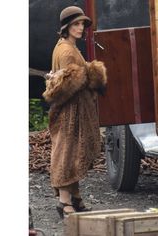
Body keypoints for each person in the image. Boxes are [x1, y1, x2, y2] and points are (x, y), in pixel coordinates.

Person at [42, 6, 107, 218]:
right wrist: (89, 74)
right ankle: (64, 202)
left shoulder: (68, 46)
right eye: (76, 24)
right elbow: (68, 85)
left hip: (76, 109)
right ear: (66, 27)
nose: (80, 28)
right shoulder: (67, 50)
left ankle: (75, 197)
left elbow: (69, 77)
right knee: (66, 154)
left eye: (82, 24)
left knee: (74, 153)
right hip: (70, 111)